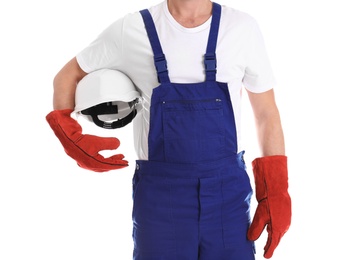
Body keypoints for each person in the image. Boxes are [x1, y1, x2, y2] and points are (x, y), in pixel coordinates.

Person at [46, 0, 291, 259]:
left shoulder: (241, 28)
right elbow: (67, 75)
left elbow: (266, 113)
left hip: (227, 197)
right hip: (160, 201)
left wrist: (275, 190)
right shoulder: (132, 28)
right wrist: (69, 135)